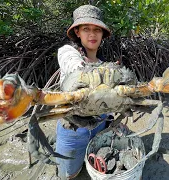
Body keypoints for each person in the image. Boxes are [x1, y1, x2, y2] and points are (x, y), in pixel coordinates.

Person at [55, 5, 112, 179]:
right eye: (86, 29)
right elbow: (73, 64)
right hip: (73, 130)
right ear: (77, 32)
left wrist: (112, 119)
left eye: (97, 30)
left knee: (96, 166)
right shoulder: (68, 52)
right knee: (69, 174)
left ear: (102, 34)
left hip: (99, 126)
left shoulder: (104, 64)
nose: (92, 34)